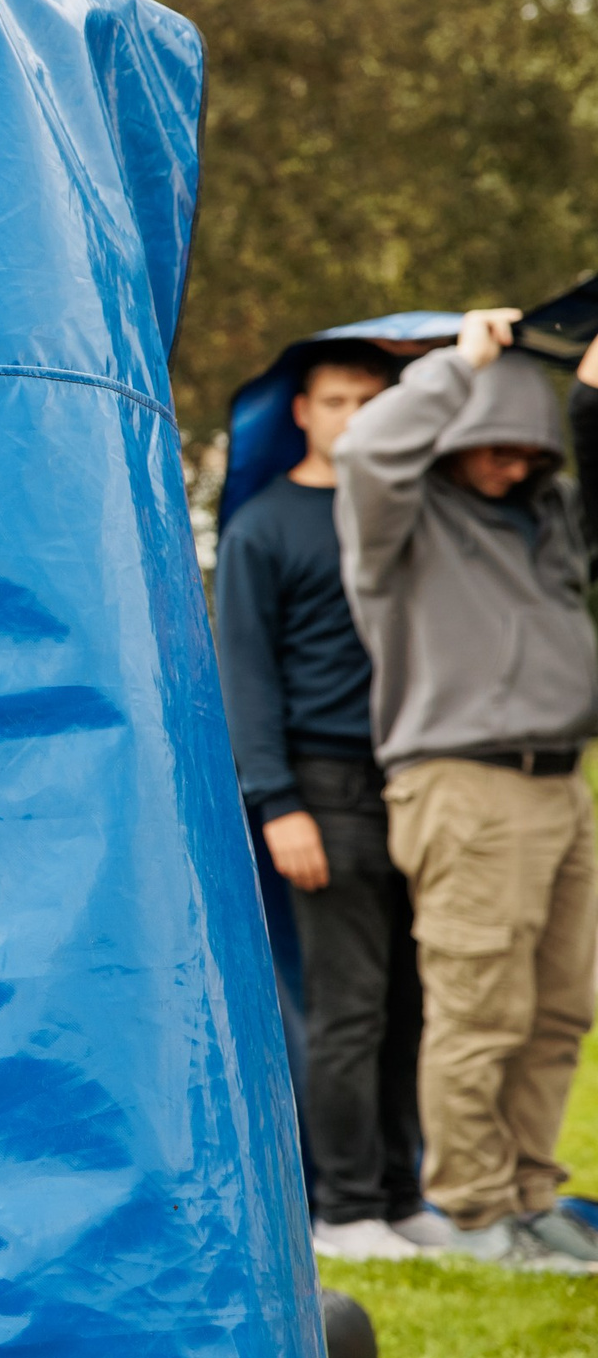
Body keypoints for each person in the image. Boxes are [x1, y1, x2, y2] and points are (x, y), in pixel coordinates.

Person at [332, 306, 598, 1271]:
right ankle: (479, 1209)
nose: (507, 462)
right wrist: (461, 364)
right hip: (464, 784)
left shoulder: (544, 519)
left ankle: (533, 1192)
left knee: (560, 1006)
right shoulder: (397, 524)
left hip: (561, 783)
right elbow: (367, 451)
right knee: (480, 1005)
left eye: (523, 446)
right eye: (488, 442)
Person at [214, 341, 449, 1262]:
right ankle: (344, 1206)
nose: (356, 414)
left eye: (373, 399)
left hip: (418, 785)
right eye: (338, 398)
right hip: (320, 789)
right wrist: (279, 804)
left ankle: (403, 1191)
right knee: (346, 1007)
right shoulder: (264, 526)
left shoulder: (409, 517)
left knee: (411, 1002)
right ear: (303, 411)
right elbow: (243, 675)